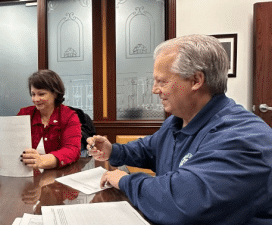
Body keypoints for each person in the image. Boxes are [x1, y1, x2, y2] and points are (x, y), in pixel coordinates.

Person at [87, 34, 272, 224]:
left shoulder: (246, 137)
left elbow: (182, 203)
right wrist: (113, 150)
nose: (154, 90)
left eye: (162, 81)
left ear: (195, 81)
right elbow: (148, 149)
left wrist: (124, 181)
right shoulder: (177, 121)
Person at [0, 69, 81, 169]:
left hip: (58, 175)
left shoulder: (69, 116)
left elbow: (72, 150)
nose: (35, 99)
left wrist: (42, 160)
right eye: (33, 94)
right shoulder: (24, 114)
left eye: (41, 94)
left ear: (55, 93)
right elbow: (10, 145)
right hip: (26, 174)